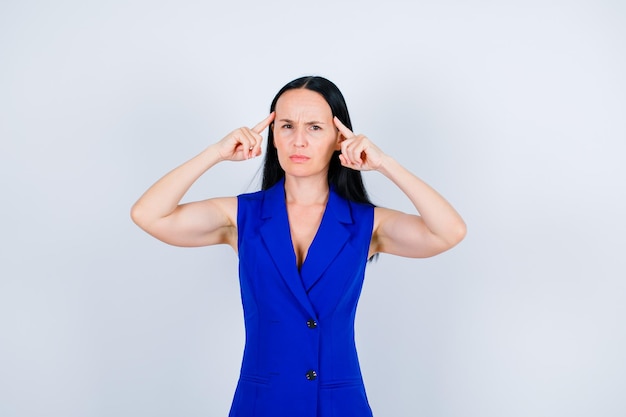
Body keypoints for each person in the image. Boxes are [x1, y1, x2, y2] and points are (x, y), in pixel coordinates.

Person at [131, 76, 466, 417]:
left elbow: (449, 232)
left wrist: (384, 164)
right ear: (273, 135)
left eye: (315, 127)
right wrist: (215, 153)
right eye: (287, 125)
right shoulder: (241, 216)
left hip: (339, 405)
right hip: (261, 404)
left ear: (340, 138)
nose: (299, 140)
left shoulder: (366, 224)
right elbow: (148, 214)